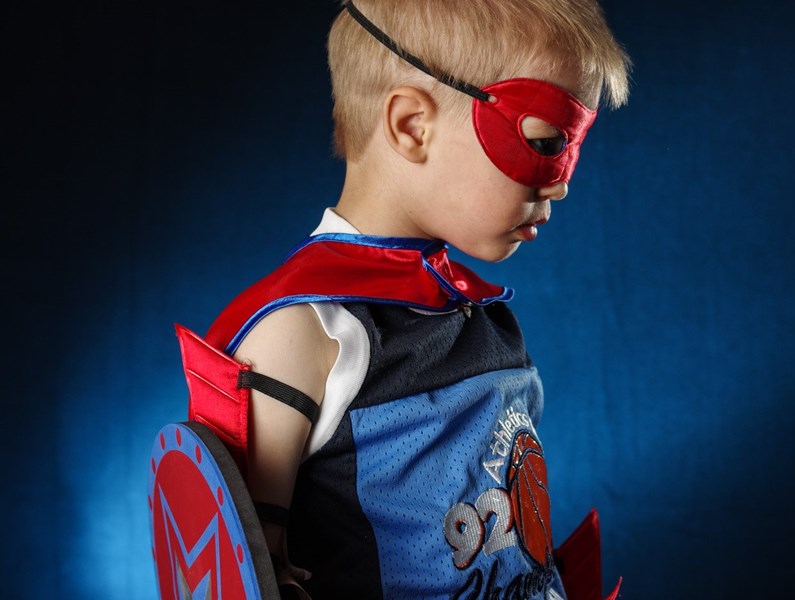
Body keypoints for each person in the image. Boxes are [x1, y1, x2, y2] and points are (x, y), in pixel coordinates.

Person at [177, 1, 630, 597]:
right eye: (545, 141)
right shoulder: (303, 332)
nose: (563, 182)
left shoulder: (481, 319)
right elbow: (249, 574)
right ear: (412, 125)